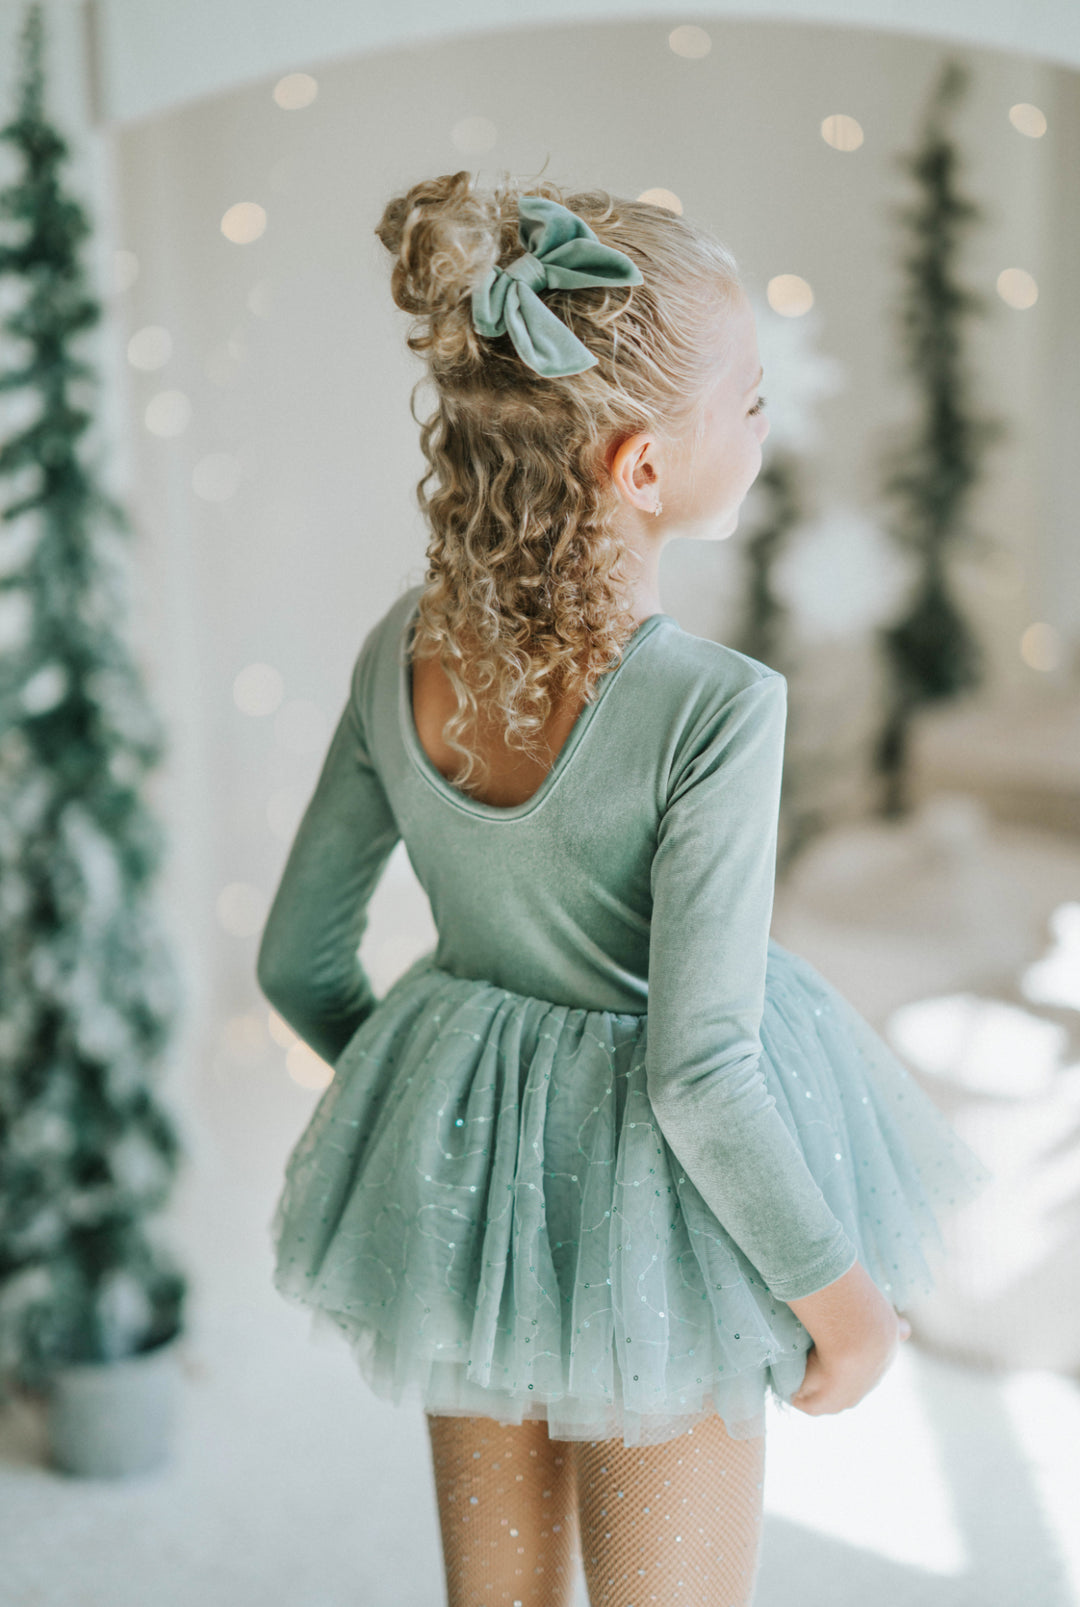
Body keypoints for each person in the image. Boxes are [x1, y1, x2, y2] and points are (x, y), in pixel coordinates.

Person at [256, 172, 994, 1607]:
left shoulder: (399, 646)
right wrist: (846, 1306)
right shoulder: (716, 707)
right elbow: (701, 1072)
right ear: (643, 467)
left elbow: (298, 960)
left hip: (469, 1211)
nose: (768, 427)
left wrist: (438, 1116)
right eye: (753, 402)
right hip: (663, 1234)